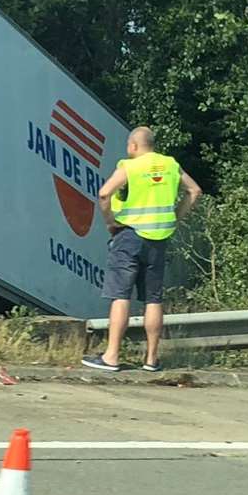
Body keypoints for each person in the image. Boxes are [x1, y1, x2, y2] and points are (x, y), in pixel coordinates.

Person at [82, 126, 201, 373]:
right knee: (153, 298)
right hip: (159, 238)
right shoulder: (170, 165)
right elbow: (194, 191)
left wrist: (110, 222)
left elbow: (104, 193)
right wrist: (175, 218)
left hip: (129, 236)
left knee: (120, 295)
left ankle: (112, 356)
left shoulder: (130, 166)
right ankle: (151, 359)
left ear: (133, 146)